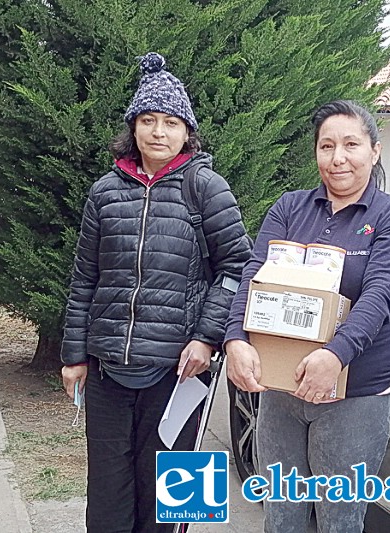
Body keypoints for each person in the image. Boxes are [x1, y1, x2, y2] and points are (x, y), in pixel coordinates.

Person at [60, 52, 251, 533]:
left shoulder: (206, 188)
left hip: (180, 370)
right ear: (133, 127)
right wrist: (74, 355)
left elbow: (238, 268)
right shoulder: (105, 191)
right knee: (107, 492)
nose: (159, 132)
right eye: (148, 120)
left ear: (187, 131)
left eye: (170, 122)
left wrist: (207, 339)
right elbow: (85, 276)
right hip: (108, 371)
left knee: (174, 499)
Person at [224, 100, 390, 532]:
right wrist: (235, 338)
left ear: (375, 151)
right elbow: (252, 276)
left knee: (339, 520)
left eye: (351, 144)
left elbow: (380, 297)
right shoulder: (291, 208)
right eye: (326, 146)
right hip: (282, 389)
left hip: (356, 397)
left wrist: (335, 356)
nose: (338, 157)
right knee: (282, 513)